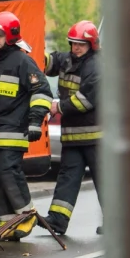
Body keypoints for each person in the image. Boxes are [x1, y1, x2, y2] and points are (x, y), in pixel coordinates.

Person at [0, 11, 53, 244]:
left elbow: (42, 91)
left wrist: (35, 121)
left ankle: (26, 215)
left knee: (9, 171)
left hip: (14, 130)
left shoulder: (23, 61)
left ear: (10, 36)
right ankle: (7, 222)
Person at [43, 20, 102, 236]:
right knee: (67, 178)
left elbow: (84, 101)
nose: (76, 48)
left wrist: (58, 106)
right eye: (73, 43)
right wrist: (32, 54)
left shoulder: (96, 67)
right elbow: (49, 63)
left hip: (96, 138)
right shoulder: (67, 60)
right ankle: (57, 220)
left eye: (81, 45)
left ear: (91, 45)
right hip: (73, 136)